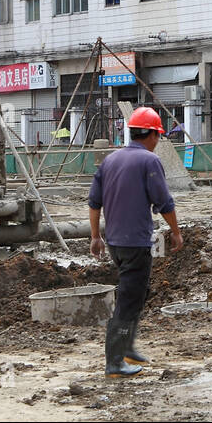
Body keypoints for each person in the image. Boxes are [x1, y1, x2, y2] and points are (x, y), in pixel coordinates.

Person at [88, 106, 184, 378]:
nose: (158, 141)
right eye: (158, 136)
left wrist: (96, 236)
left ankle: (128, 348)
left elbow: (94, 202)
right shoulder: (149, 162)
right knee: (129, 302)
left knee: (135, 296)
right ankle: (114, 361)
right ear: (152, 134)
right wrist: (176, 231)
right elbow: (164, 202)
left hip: (116, 243)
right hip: (136, 243)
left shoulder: (110, 160)